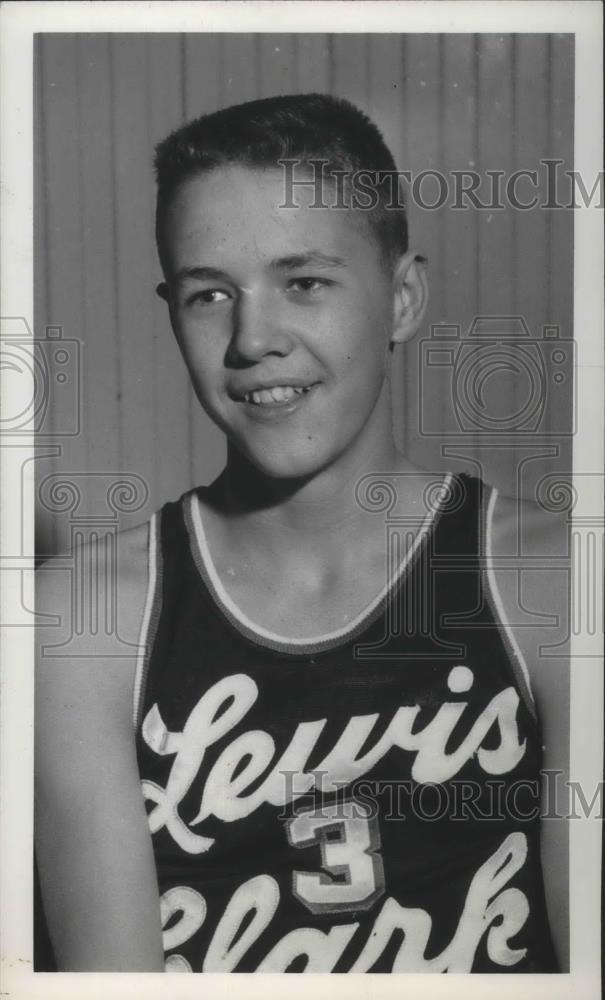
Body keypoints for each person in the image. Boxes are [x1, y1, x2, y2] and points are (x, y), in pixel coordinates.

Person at [34, 93, 569, 973]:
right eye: (210, 295)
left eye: (304, 283)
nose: (252, 339)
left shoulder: (552, 581)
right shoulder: (80, 620)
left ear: (401, 299)